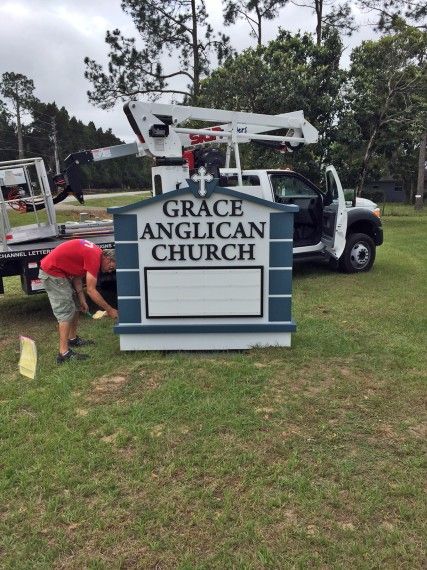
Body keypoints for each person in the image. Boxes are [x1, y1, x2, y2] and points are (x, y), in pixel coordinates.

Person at [39, 239, 118, 364]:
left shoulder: (96, 253)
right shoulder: (94, 257)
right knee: (65, 311)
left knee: (75, 307)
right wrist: (109, 309)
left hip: (63, 273)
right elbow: (92, 290)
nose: (109, 271)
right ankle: (63, 353)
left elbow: (77, 274)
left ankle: (72, 339)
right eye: (111, 267)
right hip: (53, 272)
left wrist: (81, 299)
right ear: (108, 259)